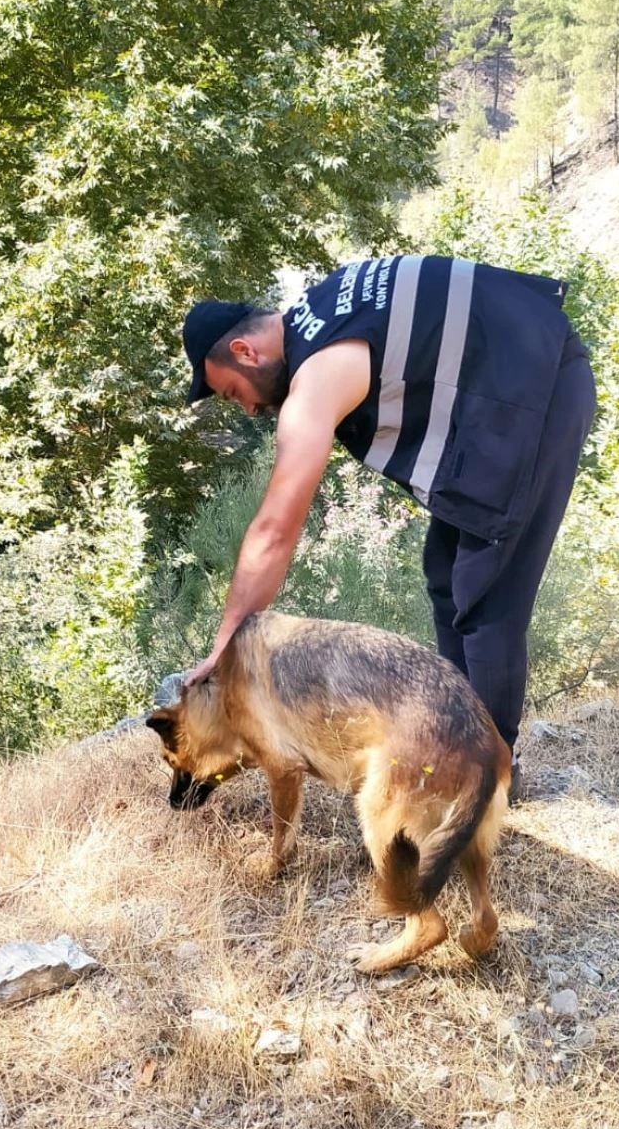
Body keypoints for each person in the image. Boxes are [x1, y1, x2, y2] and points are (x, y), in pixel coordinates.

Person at [179, 254, 596, 794]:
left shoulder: (315, 377)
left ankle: (489, 781)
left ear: (244, 350)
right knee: (447, 574)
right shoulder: (322, 306)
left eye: (236, 393)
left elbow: (273, 531)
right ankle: (459, 747)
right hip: (509, 392)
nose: (251, 410)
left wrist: (226, 649)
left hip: (537, 394)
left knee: (487, 596)